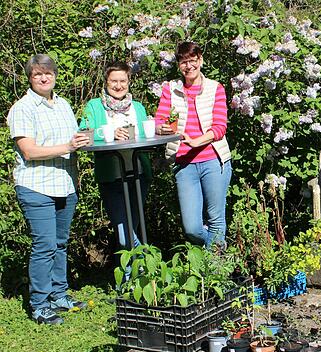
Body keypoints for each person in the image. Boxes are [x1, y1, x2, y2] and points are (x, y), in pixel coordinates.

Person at [8, 54, 90, 325]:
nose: (44, 78)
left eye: (48, 73)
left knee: (60, 243)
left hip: (64, 184)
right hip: (36, 186)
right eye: (37, 74)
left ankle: (58, 294)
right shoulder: (23, 108)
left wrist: (80, 144)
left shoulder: (63, 104)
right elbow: (29, 151)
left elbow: (73, 141)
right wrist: (68, 147)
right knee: (44, 246)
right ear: (30, 79)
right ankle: (40, 304)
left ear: (55, 75)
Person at [156, 41, 232, 248]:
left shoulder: (215, 88)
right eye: (183, 62)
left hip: (214, 161)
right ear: (179, 65)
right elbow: (160, 121)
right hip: (183, 164)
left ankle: (215, 274)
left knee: (216, 220)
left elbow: (219, 127)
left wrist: (196, 141)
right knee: (192, 227)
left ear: (201, 60)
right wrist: (162, 129)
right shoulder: (170, 89)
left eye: (193, 60)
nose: (189, 66)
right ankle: (219, 250)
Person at [81, 61, 152, 251]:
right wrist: (111, 133)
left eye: (123, 81)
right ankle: (147, 262)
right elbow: (83, 132)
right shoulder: (94, 107)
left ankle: (130, 279)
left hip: (138, 176)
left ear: (129, 82)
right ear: (106, 82)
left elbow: (146, 134)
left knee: (133, 230)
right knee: (124, 237)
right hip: (112, 178)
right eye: (114, 81)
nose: (118, 85)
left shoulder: (137, 107)